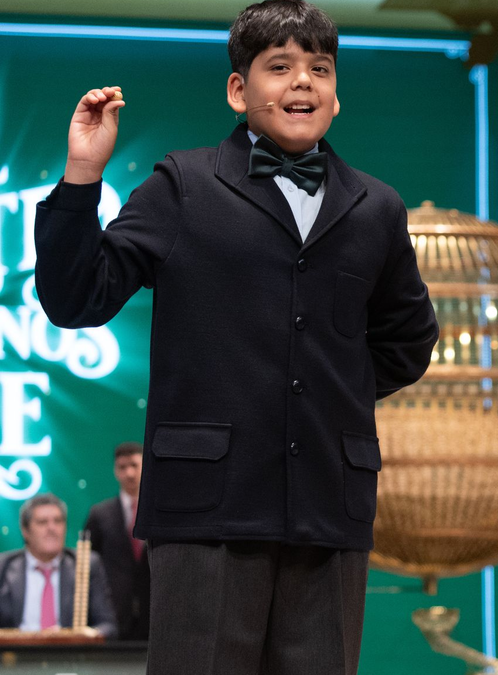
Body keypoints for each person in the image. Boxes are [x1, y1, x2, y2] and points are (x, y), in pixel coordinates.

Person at [32, 0, 440, 672]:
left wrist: (324, 399)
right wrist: (83, 175)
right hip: (205, 510)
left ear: (337, 96)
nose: (302, 81)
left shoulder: (378, 208)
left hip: (328, 508)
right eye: (280, 66)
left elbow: (407, 343)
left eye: (320, 69)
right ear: (237, 90)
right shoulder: (183, 185)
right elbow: (76, 298)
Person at [0, 494, 118, 638]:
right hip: (16, 650)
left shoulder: (85, 565)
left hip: (68, 651)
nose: (52, 528)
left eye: (58, 521)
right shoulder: (3, 567)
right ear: (25, 531)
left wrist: (82, 635)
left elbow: (108, 626)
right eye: (42, 522)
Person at [84, 442, 150, 641]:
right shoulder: (99, 514)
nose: (129, 473)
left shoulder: (160, 514)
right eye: (122, 467)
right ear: (115, 471)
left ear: (146, 466)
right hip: (113, 614)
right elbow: (88, 564)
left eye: (134, 465)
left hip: (154, 610)